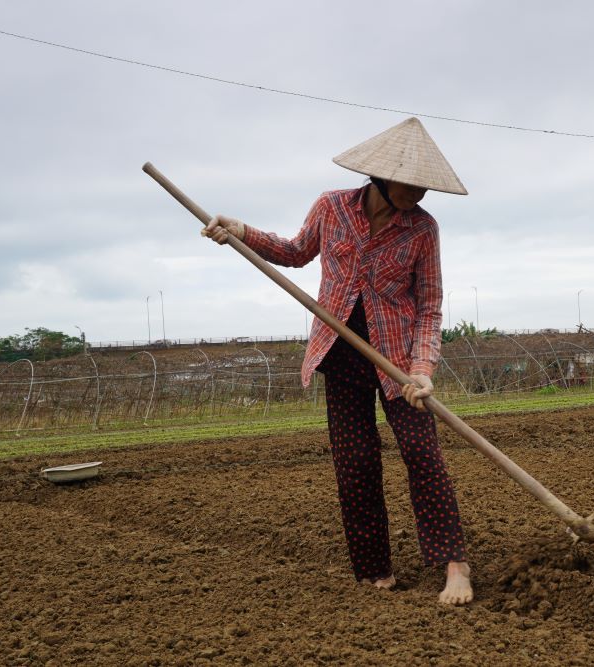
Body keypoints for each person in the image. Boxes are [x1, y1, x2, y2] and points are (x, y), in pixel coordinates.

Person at [201, 117, 473, 605]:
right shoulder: (332, 207)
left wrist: (422, 370)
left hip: (399, 363)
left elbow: (429, 306)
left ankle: (456, 567)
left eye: (424, 186)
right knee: (356, 462)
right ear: (380, 177)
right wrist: (240, 231)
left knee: (423, 457)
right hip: (339, 352)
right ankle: (374, 570)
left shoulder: (423, 229)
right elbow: (294, 251)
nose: (419, 194)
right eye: (410, 184)